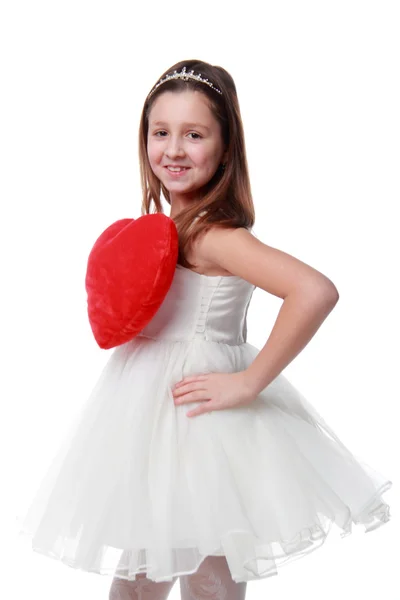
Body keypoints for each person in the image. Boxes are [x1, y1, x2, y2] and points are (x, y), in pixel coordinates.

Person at [17, 59, 392, 600]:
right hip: (150, 417)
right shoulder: (166, 228)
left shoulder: (213, 235)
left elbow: (314, 291)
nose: (173, 149)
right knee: (143, 570)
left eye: (194, 135)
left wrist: (248, 382)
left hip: (196, 422)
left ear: (225, 147)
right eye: (160, 132)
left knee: (204, 574)